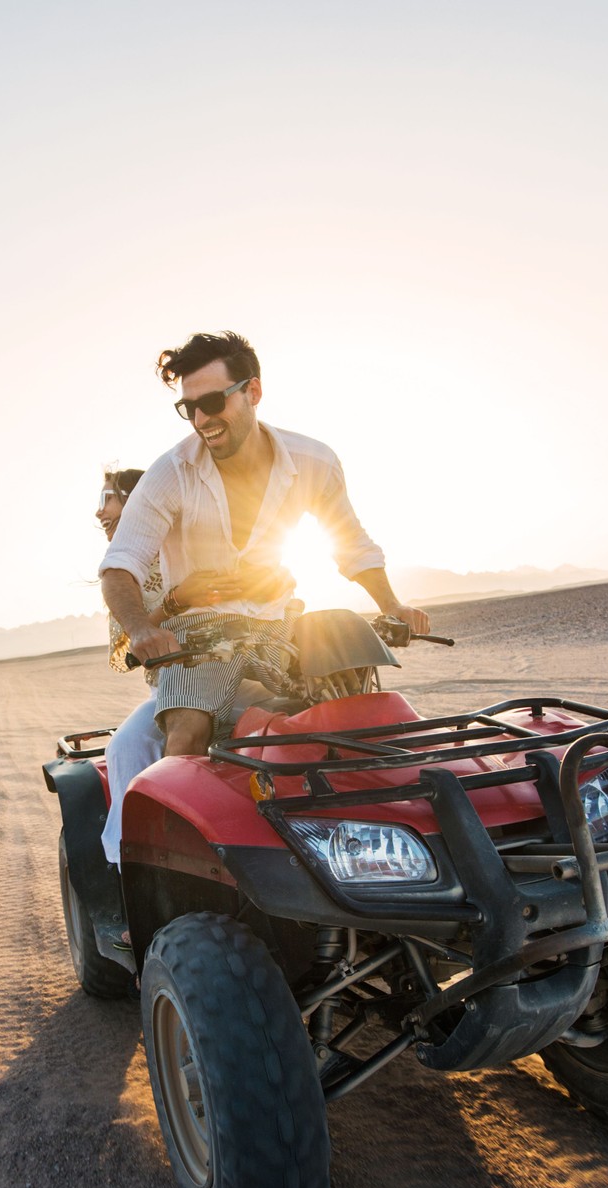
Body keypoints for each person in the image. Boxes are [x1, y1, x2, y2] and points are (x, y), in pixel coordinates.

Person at [99, 330, 429, 759]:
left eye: (213, 403)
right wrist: (142, 628)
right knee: (187, 736)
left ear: (252, 391)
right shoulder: (170, 474)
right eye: (189, 408)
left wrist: (392, 605)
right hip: (199, 637)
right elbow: (119, 566)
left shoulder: (313, 461)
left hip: (280, 625)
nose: (201, 420)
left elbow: (351, 545)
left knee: (351, 711)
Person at [94, 468, 242, 863]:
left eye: (108, 498)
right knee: (128, 746)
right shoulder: (126, 574)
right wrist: (174, 602)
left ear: (138, 500)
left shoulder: (198, 541)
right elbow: (127, 650)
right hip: (173, 684)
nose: (98, 511)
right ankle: (132, 868)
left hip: (242, 667)